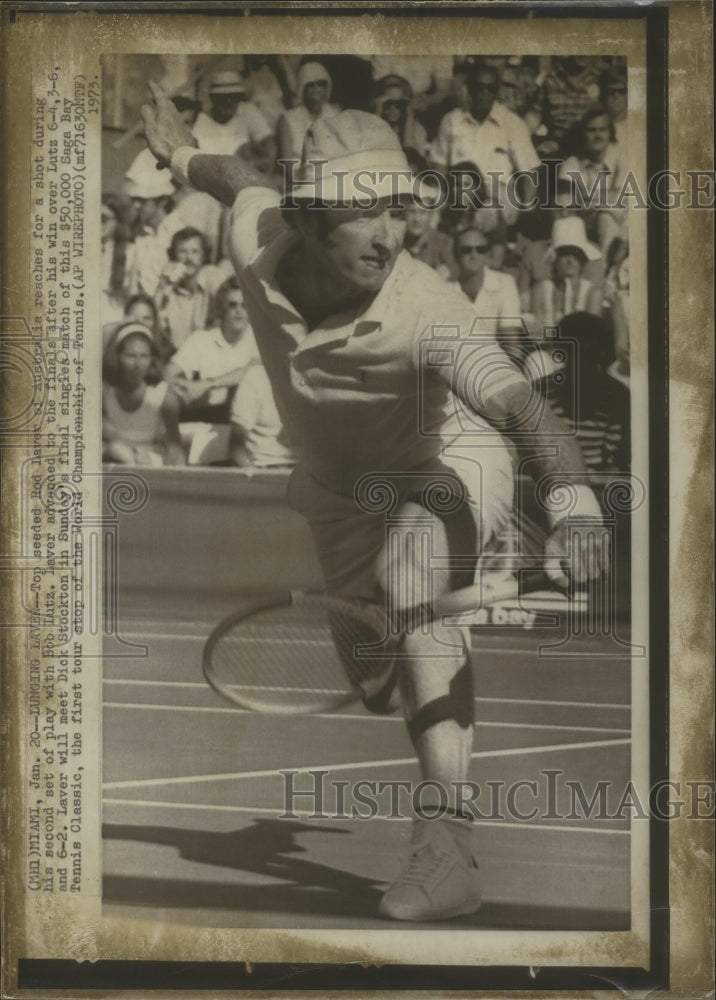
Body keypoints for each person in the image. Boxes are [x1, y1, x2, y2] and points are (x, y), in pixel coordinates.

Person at [141, 84, 607, 922]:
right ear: (309, 221)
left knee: (413, 575)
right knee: (375, 678)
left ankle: (447, 850)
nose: (390, 235)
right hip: (336, 494)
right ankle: (397, 648)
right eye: (365, 214)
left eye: (397, 210)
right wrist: (176, 150)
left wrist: (574, 507)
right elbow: (233, 173)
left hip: (449, 458)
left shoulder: (429, 308)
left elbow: (526, 411)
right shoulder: (257, 233)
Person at [430, 61, 540, 224]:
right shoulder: (452, 120)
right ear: (469, 88)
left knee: (488, 211)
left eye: (491, 89)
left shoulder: (512, 123)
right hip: (460, 192)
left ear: (497, 91)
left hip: (498, 195)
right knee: (429, 214)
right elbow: (439, 164)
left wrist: (527, 209)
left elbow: (530, 169)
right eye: (479, 87)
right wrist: (442, 198)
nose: (484, 93)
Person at [102, 322, 184, 467]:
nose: (137, 364)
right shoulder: (104, 393)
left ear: (152, 359)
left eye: (144, 356)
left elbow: (174, 449)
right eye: (130, 356)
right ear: (117, 357)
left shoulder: (164, 395)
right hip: (113, 464)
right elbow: (108, 440)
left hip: (151, 465)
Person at [154, 226, 212, 353]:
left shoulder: (209, 291)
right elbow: (152, 322)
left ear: (203, 256)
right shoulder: (167, 292)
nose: (189, 258)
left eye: (195, 251)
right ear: (174, 256)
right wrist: (162, 286)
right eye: (183, 251)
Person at [277, 61, 340, 162]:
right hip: (302, 173)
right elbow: (288, 161)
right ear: (302, 88)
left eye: (321, 83)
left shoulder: (335, 113)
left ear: (327, 87)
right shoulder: (288, 119)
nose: (316, 88)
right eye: (310, 84)